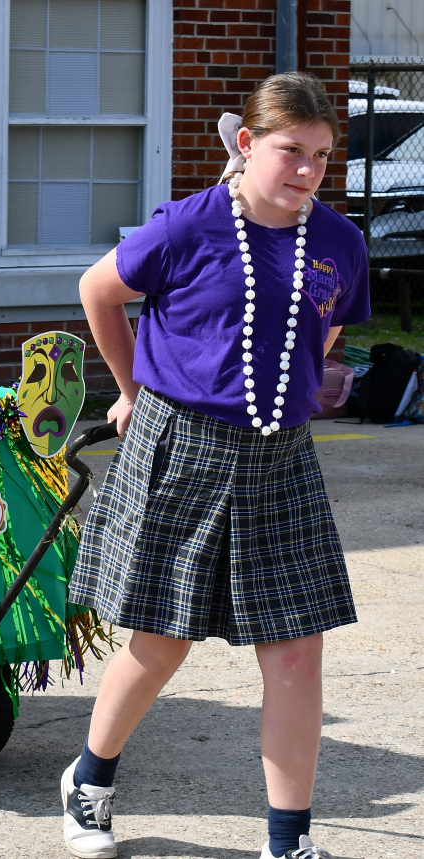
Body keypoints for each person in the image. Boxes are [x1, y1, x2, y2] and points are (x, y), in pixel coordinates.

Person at [61, 72, 369, 859]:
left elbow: (320, 332)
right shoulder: (187, 225)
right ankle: (88, 781)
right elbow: (98, 290)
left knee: (296, 651)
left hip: (281, 455)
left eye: (320, 156)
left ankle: (287, 843)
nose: (306, 170)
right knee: (161, 639)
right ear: (247, 143)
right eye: (290, 151)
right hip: (183, 445)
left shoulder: (339, 241)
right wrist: (131, 390)